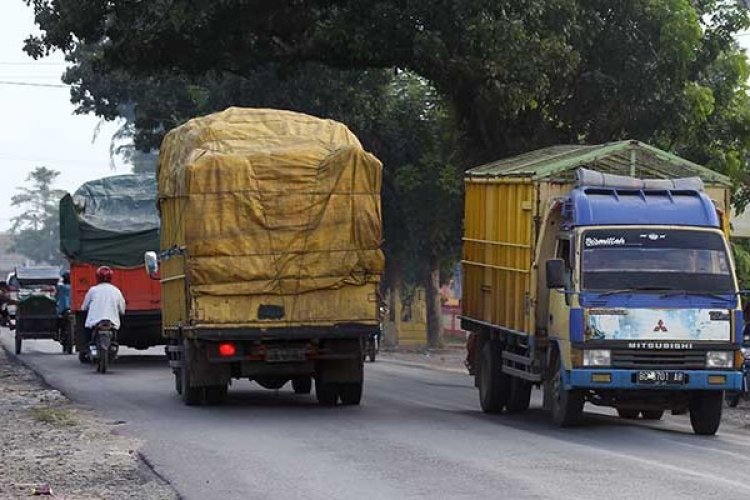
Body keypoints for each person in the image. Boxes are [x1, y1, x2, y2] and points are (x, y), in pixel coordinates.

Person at [82, 266, 126, 347]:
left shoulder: (92, 290)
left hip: (94, 322)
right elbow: (122, 309)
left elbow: (84, 307)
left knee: (88, 338)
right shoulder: (116, 290)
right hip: (112, 323)